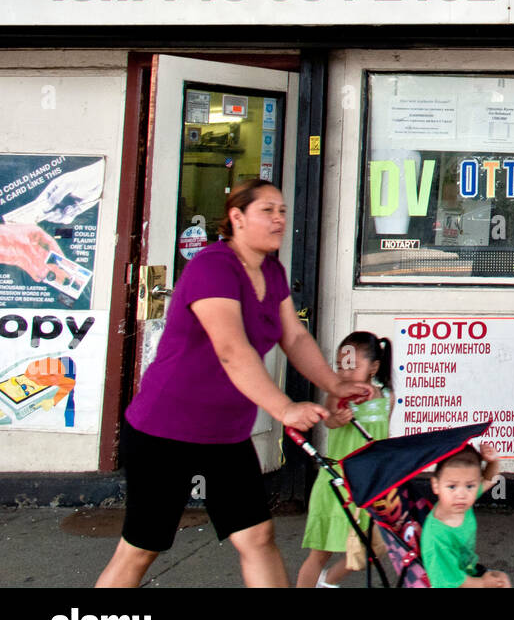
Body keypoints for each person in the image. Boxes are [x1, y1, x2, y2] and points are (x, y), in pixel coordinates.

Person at [96, 179, 371, 588]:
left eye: (282, 210)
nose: (279, 218)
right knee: (141, 548)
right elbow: (231, 349)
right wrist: (284, 409)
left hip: (225, 434)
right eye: (267, 210)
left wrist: (334, 384)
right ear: (237, 218)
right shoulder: (213, 266)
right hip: (165, 429)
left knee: (258, 536)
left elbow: (293, 337)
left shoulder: (272, 271)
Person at [296, 331, 393, 588]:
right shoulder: (337, 394)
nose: (345, 372)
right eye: (340, 366)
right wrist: (337, 417)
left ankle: (328, 580)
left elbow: (384, 435)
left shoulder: (385, 396)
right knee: (321, 551)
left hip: (371, 483)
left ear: (373, 368)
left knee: (376, 545)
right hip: (339, 481)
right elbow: (330, 419)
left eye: (353, 365)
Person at [420, 443, 511, 588]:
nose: (461, 495)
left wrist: (493, 461)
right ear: (436, 485)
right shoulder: (436, 537)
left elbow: (490, 479)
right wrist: (483, 583)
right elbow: (451, 582)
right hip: (452, 583)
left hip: (468, 571)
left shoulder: (459, 504)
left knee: (502, 580)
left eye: (469, 486)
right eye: (452, 486)